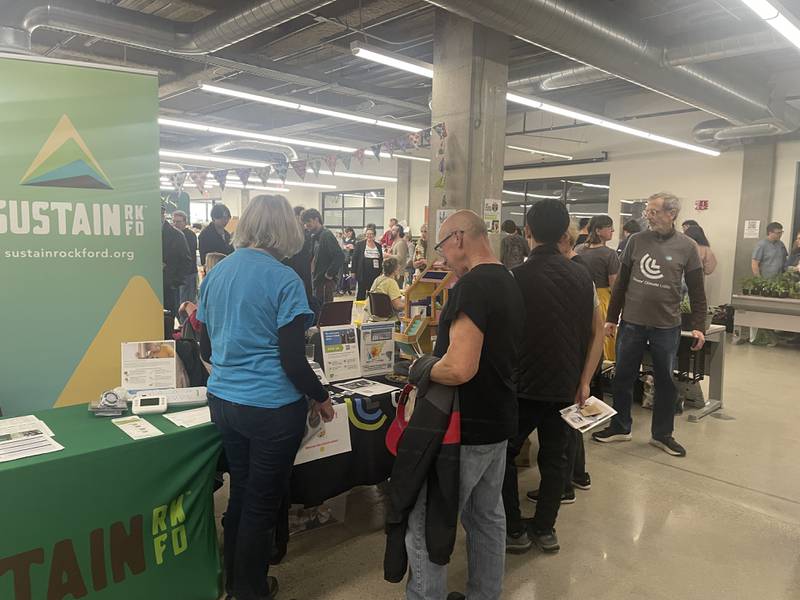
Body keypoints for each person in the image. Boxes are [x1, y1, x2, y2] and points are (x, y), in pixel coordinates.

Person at [198, 195, 335, 600]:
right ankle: (251, 590)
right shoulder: (284, 279)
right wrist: (321, 395)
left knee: (241, 491)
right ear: (286, 230)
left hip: (223, 400)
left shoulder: (217, 274)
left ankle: (233, 580)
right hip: (271, 408)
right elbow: (293, 359)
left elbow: (205, 347)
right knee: (261, 502)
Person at [405, 210, 523, 600]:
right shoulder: (507, 279)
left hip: (463, 429)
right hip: (498, 419)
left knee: (428, 526)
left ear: (458, 238)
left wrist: (417, 368)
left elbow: (458, 369)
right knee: (487, 517)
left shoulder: (473, 288)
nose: (441, 257)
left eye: (441, 247)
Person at [503, 199, 603, 555]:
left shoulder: (513, 277)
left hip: (521, 387)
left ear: (527, 232)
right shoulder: (583, 277)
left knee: (505, 456)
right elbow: (597, 332)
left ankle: (513, 529)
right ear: (565, 234)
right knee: (556, 457)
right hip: (566, 385)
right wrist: (585, 380)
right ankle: (545, 529)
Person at [593, 192, 707, 458]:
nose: (648, 215)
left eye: (654, 211)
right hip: (632, 323)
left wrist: (699, 325)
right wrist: (612, 318)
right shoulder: (636, 241)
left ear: (671, 215)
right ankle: (620, 426)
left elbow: (697, 291)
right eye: (647, 210)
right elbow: (621, 284)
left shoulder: (687, 246)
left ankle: (662, 434)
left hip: (667, 326)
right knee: (622, 376)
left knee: (666, 381)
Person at [576, 215, 620, 361]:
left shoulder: (578, 249)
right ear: (598, 230)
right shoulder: (610, 254)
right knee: (604, 337)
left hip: (580, 297)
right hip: (602, 299)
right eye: (610, 227)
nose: (613, 230)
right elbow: (615, 286)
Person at [301, 208, 345, 307]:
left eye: (308, 221)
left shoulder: (326, 235)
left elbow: (339, 256)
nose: (306, 225)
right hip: (316, 280)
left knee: (325, 312)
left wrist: (329, 274)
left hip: (325, 282)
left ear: (316, 219)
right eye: (305, 223)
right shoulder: (313, 236)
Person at [161, 205, 193, 321]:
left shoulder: (177, 235)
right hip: (145, 287)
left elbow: (186, 261)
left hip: (169, 288)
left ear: (163, 214)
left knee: (168, 321)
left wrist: (174, 283)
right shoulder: (144, 233)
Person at [285, 206, 314, 308]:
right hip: (292, 273)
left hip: (306, 274)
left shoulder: (309, 235)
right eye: (301, 217)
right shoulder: (287, 235)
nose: (304, 221)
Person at [172, 210, 199, 310]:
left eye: (178, 221)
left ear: (185, 222)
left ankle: (188, 324)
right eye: (174, 221)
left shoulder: (190, 235)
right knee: (177, 303)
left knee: (187, 303)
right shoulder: (172, 235)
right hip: (176, 275)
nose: (175, 224)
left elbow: (187, 255)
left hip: (188, 274)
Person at [352, 227, 383, 301]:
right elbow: (354, 258)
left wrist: (381, 270)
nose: (369, 236)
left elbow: (381, 259)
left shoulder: (378, 246)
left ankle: (373, 307)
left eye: (371, 234)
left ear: (374, 235)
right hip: (363, 271)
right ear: (365, 235)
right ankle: (359, 308)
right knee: (361, 291)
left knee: (373, 290)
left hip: (375, 272)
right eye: (368, 234)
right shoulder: (360, 244)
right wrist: (353, 271)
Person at [339, 227, 357, 294]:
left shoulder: (354, 240)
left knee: (348, 274)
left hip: (350, 259)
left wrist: (352, 247)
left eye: (348, 232)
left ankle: (348, 288)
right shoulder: (343, 239)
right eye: (346, 232)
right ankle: (343, 288)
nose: (347, 234)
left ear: (351, 232)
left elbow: (354, 249)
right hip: (343, 259)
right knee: (343, 274)